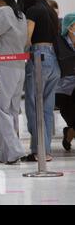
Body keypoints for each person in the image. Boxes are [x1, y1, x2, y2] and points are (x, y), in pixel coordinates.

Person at [18, 0, 60, 162]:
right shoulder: (50, 10)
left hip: (38, 57)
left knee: (34, 106)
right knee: (47, 108)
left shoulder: (33, 11)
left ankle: (38, 150)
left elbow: (27, 38)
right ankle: (46, 151)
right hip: (53, 60)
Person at [0, 0, 27, 164]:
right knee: (12, 110)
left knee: (0, 108)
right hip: (19, 67)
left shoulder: (3, 12)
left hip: (3, 66)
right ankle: (6, 154)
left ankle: (16, 149)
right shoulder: (21, 15)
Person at [54, 13, 75, 151]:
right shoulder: (58, 43)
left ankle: (70, 132)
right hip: (61, 89)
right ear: (69, 27)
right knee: (71, 114)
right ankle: (69, 133)